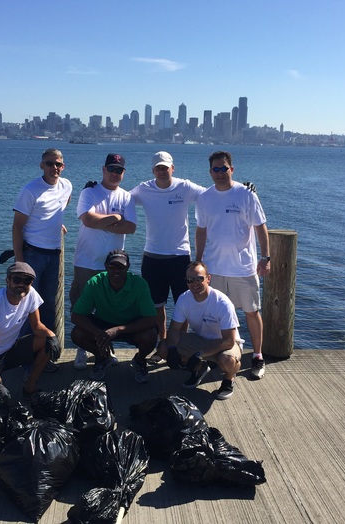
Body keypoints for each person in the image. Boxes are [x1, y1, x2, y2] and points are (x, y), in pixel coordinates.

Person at [195, 150, 270, 380]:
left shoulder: (246, 194)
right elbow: (201, 230)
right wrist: (198, 260)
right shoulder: (205, 198)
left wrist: (266, 257)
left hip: (243, 268)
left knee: (251, 312)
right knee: (216, 316)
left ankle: (257, 356)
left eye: (224, 168)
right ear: (210, 172)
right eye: (215, 169)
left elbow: (260, 226)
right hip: (214, 269)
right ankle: (218, 357)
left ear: (232, 169)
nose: (220, 173)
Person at [130, 151, 206, 347]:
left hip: (180, 256)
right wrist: (96, 189)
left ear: (173, 168)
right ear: (153, 171)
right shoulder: (144, 189)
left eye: (165, 168)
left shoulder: (185, 187)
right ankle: (162, 344)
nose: (162, 171)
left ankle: (180, 344)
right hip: (152, 256)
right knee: (157, 305)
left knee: (184, 303)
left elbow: (212, 195)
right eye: (158, 168)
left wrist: (241, 189)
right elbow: (120, 198)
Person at [70, 153, 137, 370]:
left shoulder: (126, 197)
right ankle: (82, 348)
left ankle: (106, 346)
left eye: (119, 170)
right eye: (111, 169)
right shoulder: (89, 192)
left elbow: (131, 227)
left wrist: (101, 222)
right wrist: (116, 218)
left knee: (107, 309)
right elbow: (88, 220)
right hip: (86, 261)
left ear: (123, 173)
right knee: (81, 307)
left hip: (114, 264)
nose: (114, 173)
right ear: (103, 169)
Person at [0, 262, 61, 404]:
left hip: (8, 352)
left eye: (27, 281)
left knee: (47, 342)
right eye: (17, 280)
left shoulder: (31, 295)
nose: (21, 284)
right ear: (8, 281)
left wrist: (52, 336)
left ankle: (29, 389)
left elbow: (37, 326)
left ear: (31, 283)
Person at [157, 261, 242, 400]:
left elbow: (229, 341)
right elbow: (174, 330)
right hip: (201, 340)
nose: (194, 283)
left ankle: (229, 378)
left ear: (208, 279)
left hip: (224, 344)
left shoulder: (222, 302)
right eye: (190, 280)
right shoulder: (184, 299)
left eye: (199, 279)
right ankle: (199, 368)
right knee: (163, 348)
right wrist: (172, 349)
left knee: (228, 360)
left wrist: (199, 354)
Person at [12, 147, 72, 339]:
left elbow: (62, 204)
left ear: (63, 166)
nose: (54, 167)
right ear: (42, 165)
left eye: (58, 164)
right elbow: (17, 226)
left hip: (54, 255)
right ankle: (23, 349)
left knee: (48, 304)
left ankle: (45, 349)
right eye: (49, 163)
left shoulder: (66, 185)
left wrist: (56, 222)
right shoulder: (30, 190)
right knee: (26, 303)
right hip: (33, 255)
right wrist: (19, 261)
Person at [70, 250, 157, 384]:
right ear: (105, 266)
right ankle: (102, 357)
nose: (116, 270)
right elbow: (76, 316)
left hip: (130, 325)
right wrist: (97, 332)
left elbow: (151, 319)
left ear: (128, 267)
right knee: (77, 333)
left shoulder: (140, 284)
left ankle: (140, 360)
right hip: (103, 324)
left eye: (121, 266)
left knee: (151, 335)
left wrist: (118, 329)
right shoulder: (95, 283)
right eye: (112, 266)